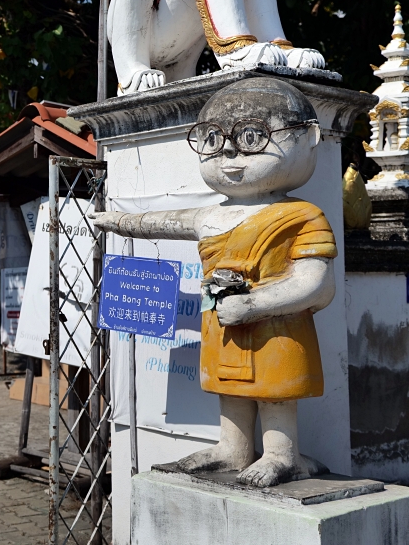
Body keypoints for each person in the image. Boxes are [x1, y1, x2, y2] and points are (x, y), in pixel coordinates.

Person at [92, 78, 335, 487]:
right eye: (212, 139)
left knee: (274, 388)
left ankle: (281, 453)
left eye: (251, 137)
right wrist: (115, 221)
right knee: (230, 386)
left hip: (274, 324)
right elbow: (157, 223)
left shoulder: (302, 215)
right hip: (221, 319)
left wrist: (257, 304)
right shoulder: (210, 216)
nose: (229, 153)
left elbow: (317, 284)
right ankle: (233, 448)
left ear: (308, 138)